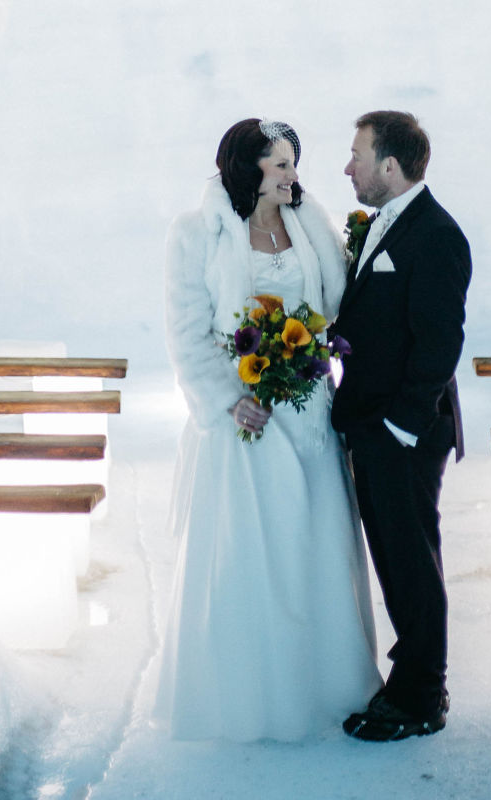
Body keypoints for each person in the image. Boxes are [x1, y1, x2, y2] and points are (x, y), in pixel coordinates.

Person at [151, 117, 381, 741]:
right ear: (246, 167)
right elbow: (186, 332)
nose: (292, 175)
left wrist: (307, 355)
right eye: (280, 164)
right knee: (253, 554)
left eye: (292, 163)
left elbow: (334, 304)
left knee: (315, 542)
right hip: (242, 420)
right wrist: (228, 398)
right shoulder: (195, 234)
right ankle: (252, 696)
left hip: (308, 412)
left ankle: (326, 684)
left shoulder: (309, 222)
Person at [331, 110, 472, 742]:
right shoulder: (386, 226)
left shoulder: (436, 235)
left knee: (411, 563)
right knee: (398, 558)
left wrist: (400, 428)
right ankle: (414, 684)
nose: (348, 166)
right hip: (376, 425)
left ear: (391, 165)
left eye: (357, 154)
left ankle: (420, 696)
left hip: (403, 433)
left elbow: (440, 344)